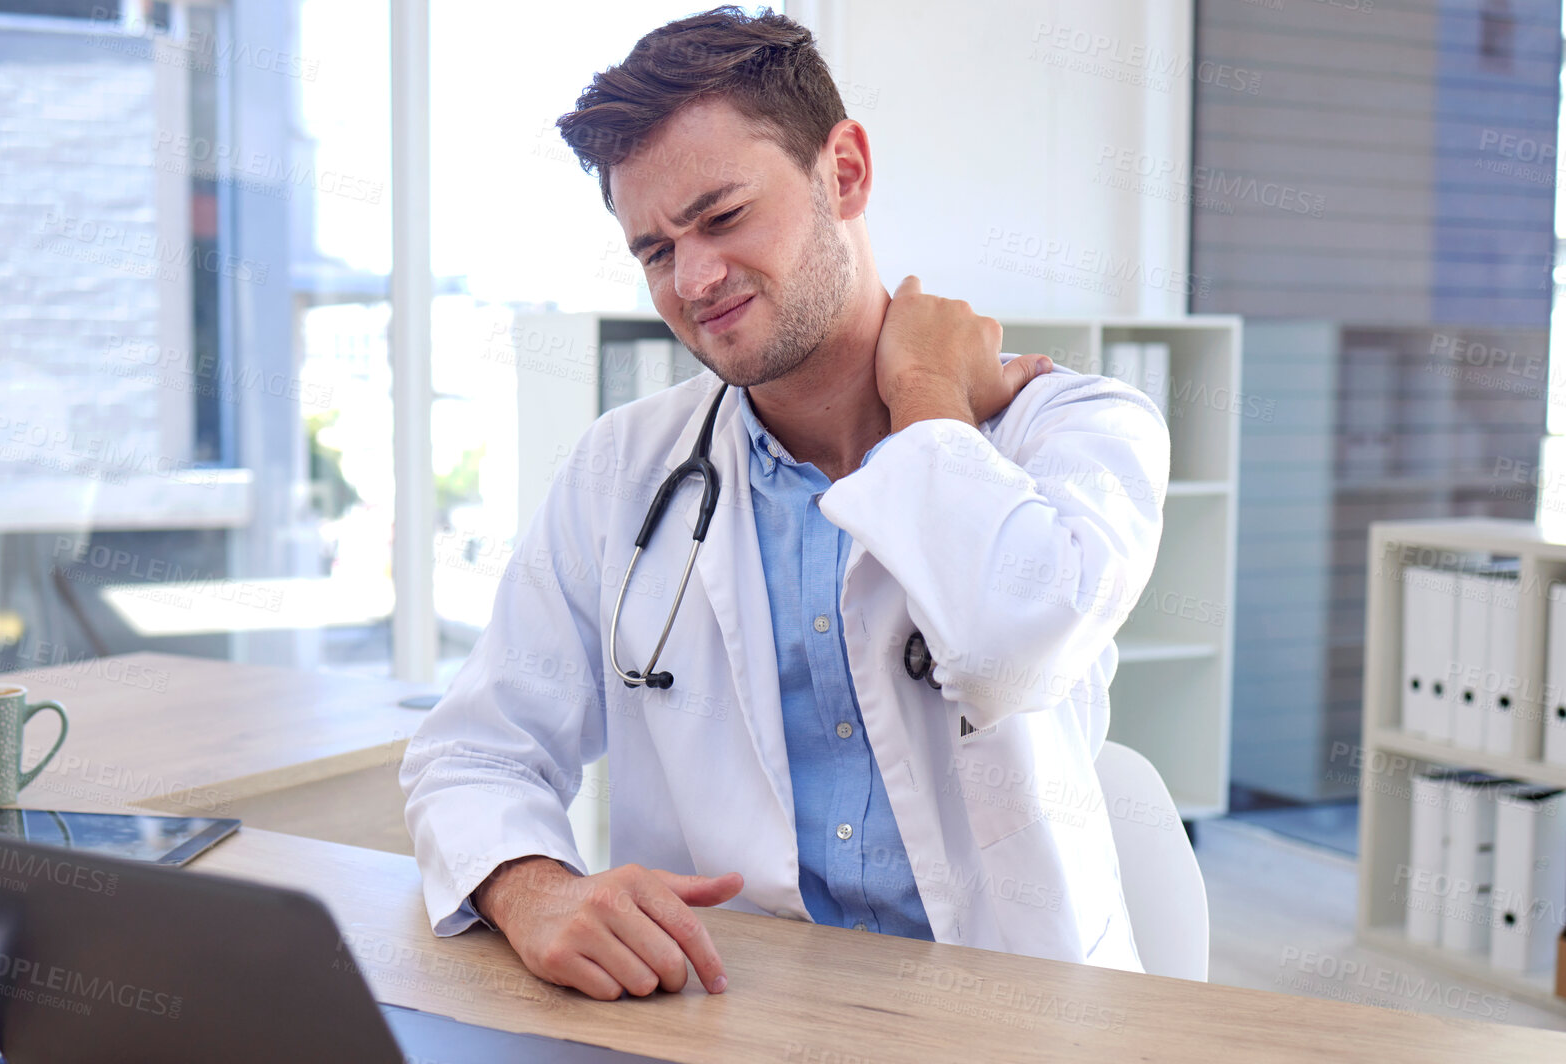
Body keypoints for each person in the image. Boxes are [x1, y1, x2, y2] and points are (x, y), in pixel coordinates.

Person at [399, 6, 1168, 1002]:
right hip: (725, 1013)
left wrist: (928, 399)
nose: (695, 279)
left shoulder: (1073, 426)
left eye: (721, 217)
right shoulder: (621, 472)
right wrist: (531, 887)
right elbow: (472, 749)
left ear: (843, 172)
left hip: (1013, 1019)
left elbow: (1010, 646)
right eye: (654, 250)